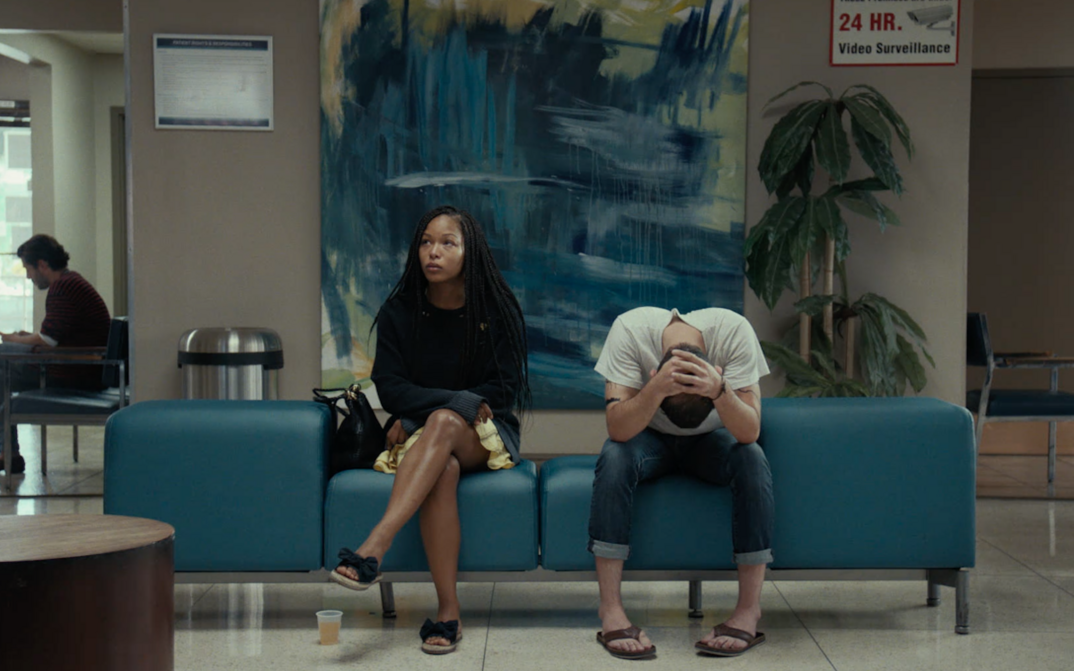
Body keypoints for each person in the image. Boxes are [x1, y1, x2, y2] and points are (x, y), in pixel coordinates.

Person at [330, 205, 530, 655]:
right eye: (425, 242)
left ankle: (375, 546)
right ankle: (448, 613)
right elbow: (391, 388)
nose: (432, 252)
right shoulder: (401, 311)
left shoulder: (495, 311)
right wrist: (452, 401)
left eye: (447, 243)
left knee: (444, 420)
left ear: (469, 252)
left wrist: (439, 409)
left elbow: (501, 391)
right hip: (429, 434)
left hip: (488, 433)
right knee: (443, 469)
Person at [589, 307, 773, 659]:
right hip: (649, 437)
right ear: (653, 370)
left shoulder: (734, 332)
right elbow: (618, 428)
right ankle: (610, 610)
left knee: (752, 457)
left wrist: (720, 390)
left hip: (712, 440)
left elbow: (749, 432)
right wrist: (656, 387)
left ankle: (749, 612)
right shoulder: (630, 329)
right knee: (614, 455)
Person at [0, 234, 111, 474]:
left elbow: (48, 340)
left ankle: (7, 452)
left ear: (42, 264)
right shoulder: (72, 282)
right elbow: (54, 335)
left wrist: (14, 339)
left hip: (74, 373)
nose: (28, 276)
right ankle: (7, 452)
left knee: (2, 357)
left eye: (28, 269)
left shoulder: (63, 287)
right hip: (82, 367)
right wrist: (23, 339)